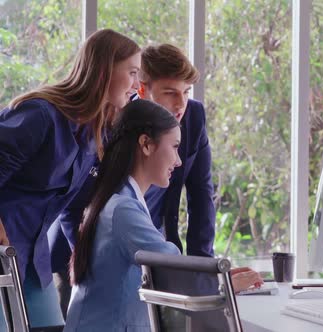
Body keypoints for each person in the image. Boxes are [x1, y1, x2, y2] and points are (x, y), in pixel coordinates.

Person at [48, 43, 227, 315]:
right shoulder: (111, 120)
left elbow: (201, 196)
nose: (180, 105)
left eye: (186, 93)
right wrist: (90, 259)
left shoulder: (193, 117)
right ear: (142, 89)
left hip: (146, 246)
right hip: (80, 252)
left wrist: (204, 270)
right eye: (170, 93)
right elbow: (73, 200)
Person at [65, 100, 263, 331]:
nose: (178, 161)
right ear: (146, 145)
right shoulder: (122, 210)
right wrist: (225, 284)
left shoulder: (121, 200)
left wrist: (219, 279)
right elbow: (172, 271)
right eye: (175, 146)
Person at [0, 29, 140, 328]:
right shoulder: (40, 114)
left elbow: (74, 208)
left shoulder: (96, 136)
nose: (136, 85)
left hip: (33, 262)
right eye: (131, 73)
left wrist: (85, 253)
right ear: (104, 70)